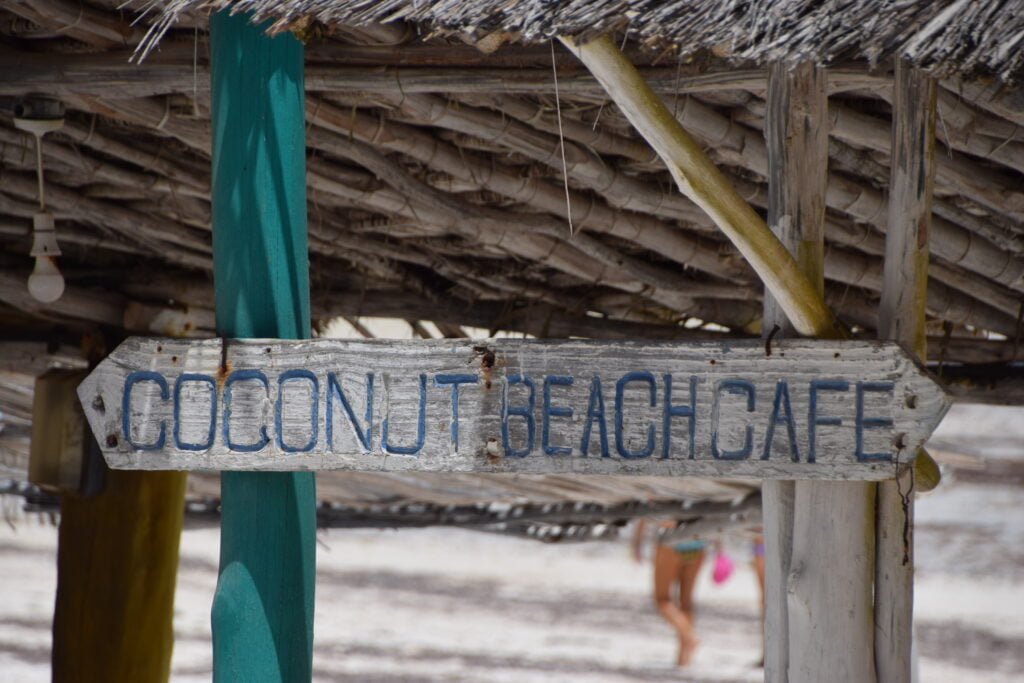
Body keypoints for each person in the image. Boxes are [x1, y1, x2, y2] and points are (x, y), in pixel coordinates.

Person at [632, 519, 706, 666]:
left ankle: (690, 636)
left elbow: (647, 510)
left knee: (662, 600)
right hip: (697, 541)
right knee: (686, 601)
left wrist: (637, 541)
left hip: (669, 537)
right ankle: (683, 658)